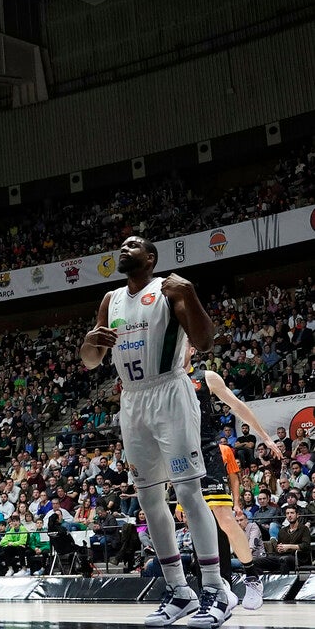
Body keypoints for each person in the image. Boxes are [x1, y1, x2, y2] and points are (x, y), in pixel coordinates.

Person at [80, 236, 237, 628]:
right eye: (121, 244)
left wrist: (192, 295)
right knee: (149, 498)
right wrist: (87, 344)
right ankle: (179, 591)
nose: (123, 248)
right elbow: (91, 361)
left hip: (170, 389)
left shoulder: (169, 289)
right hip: (132, 400)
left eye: (133, 245)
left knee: (186, 490)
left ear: (150, 258)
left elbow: (204, 341)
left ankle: (218, 590)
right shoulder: (110, 299)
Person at [183, 347, 282, 610]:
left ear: (191, 350)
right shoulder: (166, 380)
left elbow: (238, 406)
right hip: (180, 456)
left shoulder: (207, 376)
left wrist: (265, 436)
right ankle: (215, 585)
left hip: (207, 451)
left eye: (182, 343)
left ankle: (251, 577)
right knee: (197, 525)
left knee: (225, 519)